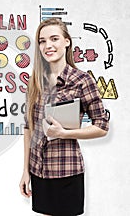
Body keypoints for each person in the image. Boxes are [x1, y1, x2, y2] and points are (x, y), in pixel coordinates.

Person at [19, 18, 109, 215]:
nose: (47, 45)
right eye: (42, 41)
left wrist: (64, 133)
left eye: (54, 39)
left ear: (67, 42)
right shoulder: (35, 82)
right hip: (38, 170)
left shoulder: (82, 80)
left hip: (66, 171)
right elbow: (28, 128)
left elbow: (102, 126)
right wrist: (26, 171)